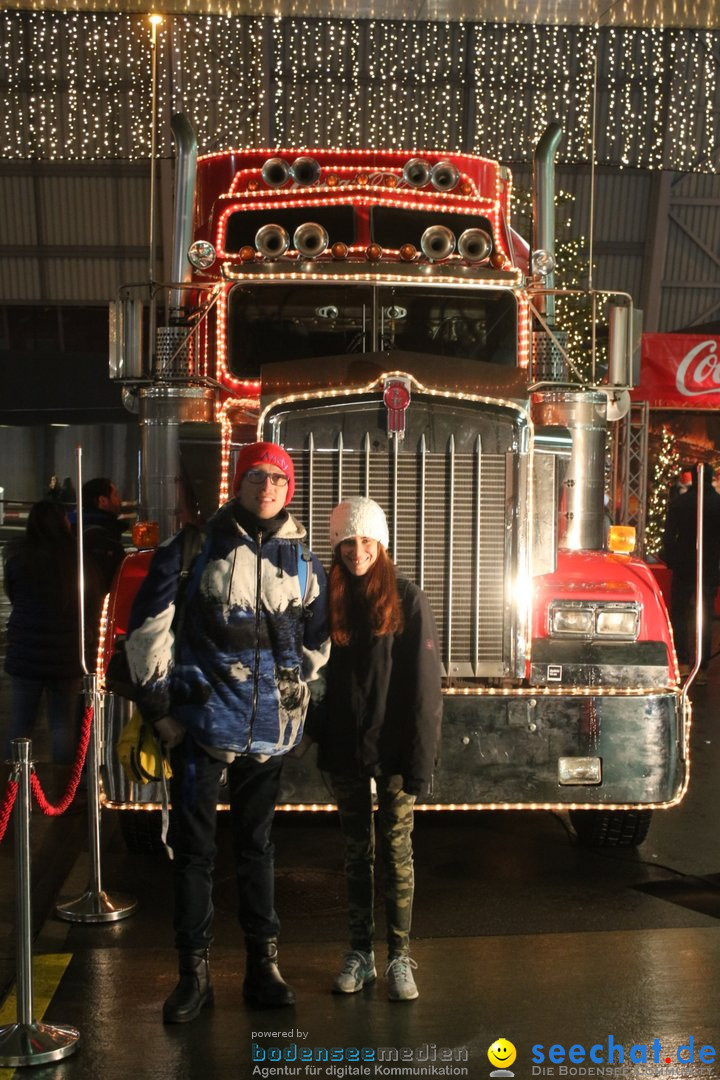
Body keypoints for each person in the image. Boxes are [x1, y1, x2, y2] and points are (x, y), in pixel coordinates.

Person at [125, 442, 329, 1021]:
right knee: (193, 851)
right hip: (198, 729)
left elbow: (317, 639)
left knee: (258, 848)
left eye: (278, 480)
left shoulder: (303, 561)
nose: (268, 488)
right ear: (237, 483)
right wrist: (163, 711)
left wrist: (291, 700)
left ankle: (263, 968)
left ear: (289, 489)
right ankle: (194, 976)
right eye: (257, 476)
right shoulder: (193, 548)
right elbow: (148, 631)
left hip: (268, 738)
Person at [305, 496, 442, 1002]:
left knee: (396, 850)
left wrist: (420, 762)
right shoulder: (330, 600)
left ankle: (400, 956)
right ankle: (360, 954)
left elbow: (426, 692)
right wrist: (317, 729)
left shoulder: (408, 599)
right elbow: (317, 674)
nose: (356, 551)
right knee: (356, 852)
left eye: (365, 541)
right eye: (346, 542)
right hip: (345, 749)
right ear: (336, 546)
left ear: (381, 545)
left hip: (395, 753)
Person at [3, 500, 82, 764]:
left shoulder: (18, 557)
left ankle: (9, 790)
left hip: (26, 651)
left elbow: (13, 595)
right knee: (62, 727)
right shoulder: (75, 557)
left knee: (20, 725)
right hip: (66, 653)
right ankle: (63, 794)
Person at [663, 464, 720, 679]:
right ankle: (702, 664)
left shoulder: (680, 503)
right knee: (705, 614)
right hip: (709, 567)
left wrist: (672, 560)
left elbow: (669, 538)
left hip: (684, 566)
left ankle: (684, 661)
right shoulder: (718, 503)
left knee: (679, 614)